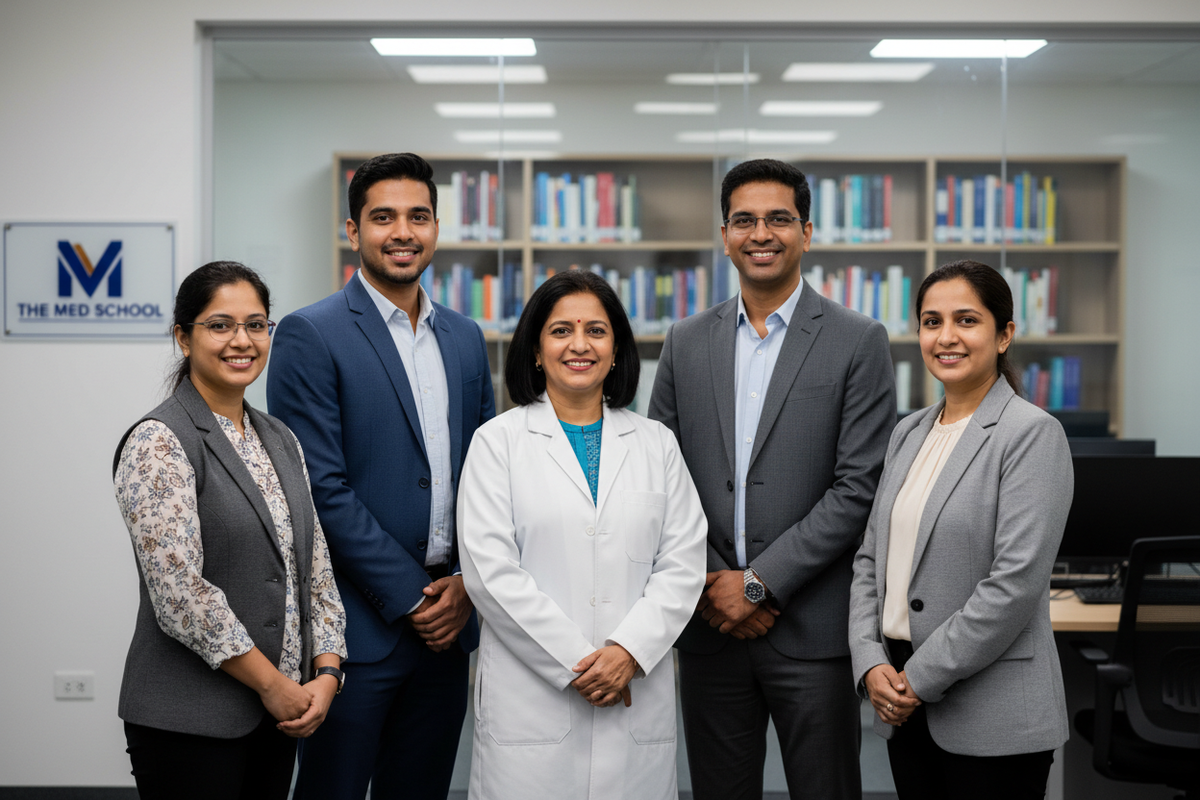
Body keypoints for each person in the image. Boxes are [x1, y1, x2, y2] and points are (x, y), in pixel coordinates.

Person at [649, 158, 896, 799]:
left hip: (811, 630)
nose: (761, 234)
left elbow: (859, 487)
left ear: (806, 233)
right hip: (710, 627)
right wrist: (715, 585)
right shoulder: (684, 341)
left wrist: (757, 585)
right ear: (725, 235)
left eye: (779, 219)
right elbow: (660, 479)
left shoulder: (858, 340)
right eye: (745, 220)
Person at [266, 152, 495, 800]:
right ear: (353, 230)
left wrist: (464, 583)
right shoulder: (311, 333)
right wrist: (415, 598)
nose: (403, 232)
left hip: (449, 624)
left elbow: (489, 477)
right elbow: (319, 489)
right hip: (355, 630)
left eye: (418, 216)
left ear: (437, 227)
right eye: (383, 217)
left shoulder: (465, 337)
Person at [457, 269, 707, 799]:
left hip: (635, 695)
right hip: (532, 710)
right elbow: (490, 574)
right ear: (535, 350)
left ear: (616, 350)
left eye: (596, 330)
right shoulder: (497, 443)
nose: (579, 345)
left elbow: (683, 563)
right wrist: (580, 663)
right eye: (560, 330)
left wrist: (628, 652)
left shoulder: (656, 444)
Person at [112, 261, 347, 800]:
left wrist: (327, 674)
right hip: (190, 719)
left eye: (256, 325)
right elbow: (179, 594)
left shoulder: (280, 438)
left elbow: (315, 569)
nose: (242, 340)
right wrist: (275, 685)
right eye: (220, 325)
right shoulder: (159, 440)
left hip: (282, 714)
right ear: (183, 337)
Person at [848, 260, 1072, 800]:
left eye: (966, 320)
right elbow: (870, 560)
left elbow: (1013, 585)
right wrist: (869, 661)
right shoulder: (908, 433)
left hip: (991, 714)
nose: (946, 337)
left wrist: (918, 679)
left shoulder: (1031, 434)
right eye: (932, 322)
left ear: (1004, 335)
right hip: (900, 699)